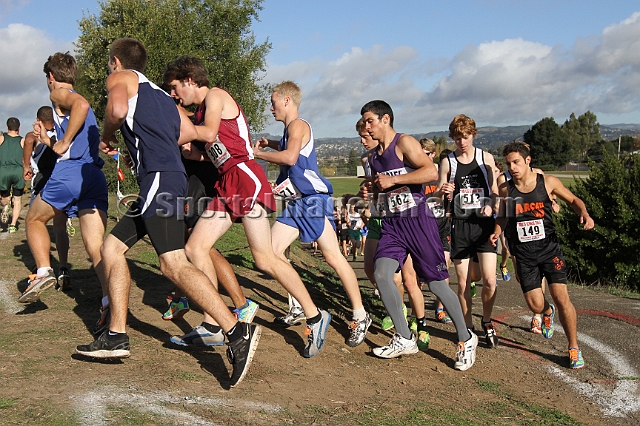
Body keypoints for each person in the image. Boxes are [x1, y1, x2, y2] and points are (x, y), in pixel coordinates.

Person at [75, 39, 260, 388]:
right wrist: (146, 145)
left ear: (116, 61)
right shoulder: (161, 94)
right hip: (164, 178)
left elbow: (115, 111)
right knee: (111, 249)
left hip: (160, 179)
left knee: (172, 263)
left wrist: (108, 137)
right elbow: (191, 133)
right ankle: (116, 335)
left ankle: (235, 330)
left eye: (109, 66)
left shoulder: (121, 78)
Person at [164, 57, 330, 358]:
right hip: (227, 181)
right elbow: (206, 152)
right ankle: (213, 324)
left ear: (190, 80)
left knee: (264, 259)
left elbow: (210, 133)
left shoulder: (215, 96)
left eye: (175, 88)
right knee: (196, 248)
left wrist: (176, 125)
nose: (175, 95)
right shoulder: (200, 112)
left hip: (245, 178)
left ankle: (316, 316)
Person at [253, 81, 370, 347]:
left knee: (333, 257)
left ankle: (360, 315)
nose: (270, 107)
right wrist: (271, 143)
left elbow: (292, 158)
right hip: (295, 202)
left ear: (286, 100)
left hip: (313, 201)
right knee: (270, 252)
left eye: (273, 102)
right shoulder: (288, 131)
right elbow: (288, 147)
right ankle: (296, 304)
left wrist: (257, 153)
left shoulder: (298, 125)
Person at [362, 100, 477, 370]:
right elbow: (384, 192)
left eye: (370, 121)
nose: (366, 127)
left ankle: (466, 337)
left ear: (385, 119)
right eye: (364, 122)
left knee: (437, 284)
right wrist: (371, 191)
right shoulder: (373, 157)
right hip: (392, 224)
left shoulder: (403, 143)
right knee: (381, 275)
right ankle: (404, 337)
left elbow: (430, 172)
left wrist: (393, 180)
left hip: (418, 220)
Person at [490, 141, 593, 369]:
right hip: (524, 255)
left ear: (528, 161)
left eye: (516, 162)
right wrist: (497, 231)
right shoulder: (507, 190)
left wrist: (584, 213)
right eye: (509, 163)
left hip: (549, 250)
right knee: (536, 304)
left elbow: (574, 200)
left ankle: (573, 348)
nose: (512, 167)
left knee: (561, 296)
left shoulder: (547, 183)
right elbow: (503, 217)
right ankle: (547, 312)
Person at [18, 53, 109, 305]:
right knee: (95, 248)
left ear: (51, 77)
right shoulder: (68, 105)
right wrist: (49, 140)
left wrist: (64, 140)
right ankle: (108, 301)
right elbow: (70, 138)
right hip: (94, 175)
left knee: (34, 218)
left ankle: (44, 272)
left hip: (72, 172)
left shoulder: (58, 93)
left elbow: (82, 106)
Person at [438, 114, 500, 348]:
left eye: (465, 137)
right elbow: (437, 195)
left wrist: (489, 203)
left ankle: (486, 321)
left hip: (483, 226)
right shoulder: (449, 163)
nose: (461, 142)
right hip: (460, 226)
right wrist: (443, 191)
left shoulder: (486, 158)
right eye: (456, 138)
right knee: (462, 283)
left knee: (490, 280)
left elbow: (495, 191)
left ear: (473, 135)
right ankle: (466, 326)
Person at [22, 106, 71, 290]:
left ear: (38, 120)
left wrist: (26, 165)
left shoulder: (35, 135)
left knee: (34, 222)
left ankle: (41, 266)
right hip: (60, 179)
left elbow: (28, 140)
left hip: (43, 180)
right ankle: (64, 267)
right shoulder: (60, 134)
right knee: (60, 228)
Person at [420, 138, 453, 325]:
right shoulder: (415, 173)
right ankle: (419, 311)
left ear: (433, 155)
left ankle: (440, 308)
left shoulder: (443, 173)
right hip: (423, 227)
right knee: (419, 270)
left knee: (444, 267)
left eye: (425, 154)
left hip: (441, 226)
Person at [0, 117, 26, 233]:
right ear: (19, 128)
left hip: (4, 170)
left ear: (7, 127)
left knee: (4, 198)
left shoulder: (1, 138)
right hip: (18, 171)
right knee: (17, 200)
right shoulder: (23, 140)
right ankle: (13, 224)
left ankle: (5, 206)